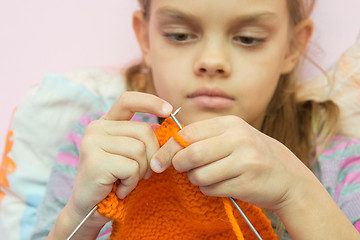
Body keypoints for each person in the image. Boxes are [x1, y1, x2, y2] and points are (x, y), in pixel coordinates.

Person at [30, 0, 360, 239]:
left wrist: (297, 192)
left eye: (248, 38)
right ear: (146, 39)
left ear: (292, 46)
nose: (211, 61)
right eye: (180, 35)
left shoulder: (339, 165)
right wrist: (78, 216)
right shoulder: (100, 143)